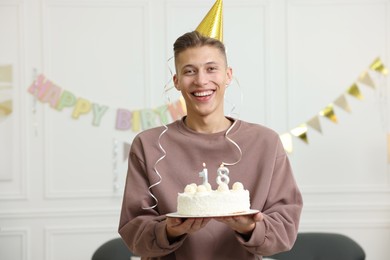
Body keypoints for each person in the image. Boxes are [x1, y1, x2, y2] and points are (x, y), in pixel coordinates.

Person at [118, 30, 303, 260]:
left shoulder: (266, 143)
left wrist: (249, 228)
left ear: (228, 75)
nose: (201, 80)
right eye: (189, 71)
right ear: (176, 81)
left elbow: (284, 231)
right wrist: (170, 230)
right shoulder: (148, 145)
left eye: (211, 68)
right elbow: (133, 232)